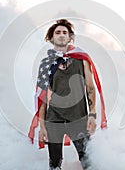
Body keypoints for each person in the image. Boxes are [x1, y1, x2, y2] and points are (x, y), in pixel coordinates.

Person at [28, 19, 107, 170]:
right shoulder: (46, 64)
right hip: (54, 119)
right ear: (51, 38)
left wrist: (92, 115)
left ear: (70, 37)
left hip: (79, 118)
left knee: (87, 161)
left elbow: (90, 87)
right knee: (55, 163)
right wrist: (42, 126)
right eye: (58, 32)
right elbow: (42, 96)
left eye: (65, 32)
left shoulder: (82, 59)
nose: (62, 35)